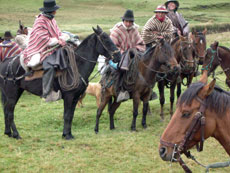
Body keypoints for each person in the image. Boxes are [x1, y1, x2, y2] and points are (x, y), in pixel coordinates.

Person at [22, 0, 69, 100]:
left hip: (53, 45)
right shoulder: (40, 21)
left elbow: (57, 32)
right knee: (50, 67)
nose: (56, 12)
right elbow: (44, 39)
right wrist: (58, 41)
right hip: (41, 48)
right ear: (51, 11)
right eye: (55, 10)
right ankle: (46, 92)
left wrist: (62, 37)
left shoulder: (51, 19)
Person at [109, 9, 146, 102]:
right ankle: (121, 90)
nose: (128, 24)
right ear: (123, 21)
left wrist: (134, 50)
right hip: (117, 57)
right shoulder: (116, 31)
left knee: (145, 66)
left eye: (130, 22)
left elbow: (141, 43)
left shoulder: (134, 30)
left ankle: (146, 90)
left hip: (133, 56)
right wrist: (125, 53)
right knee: (121, 69)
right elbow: (112, 47)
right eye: (126, 21)